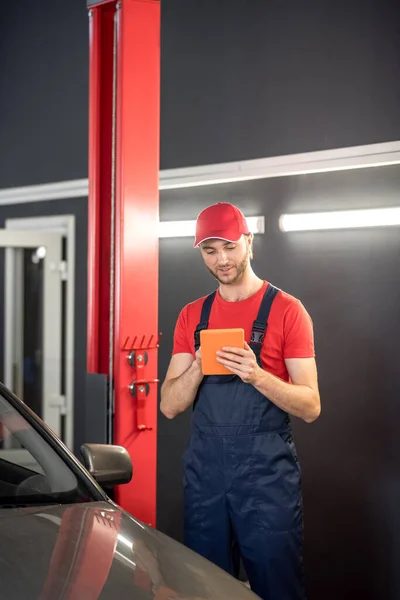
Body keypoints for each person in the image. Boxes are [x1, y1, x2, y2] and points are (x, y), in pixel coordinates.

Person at [160, 202, 321, 600]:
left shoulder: (288, 311)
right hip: (206, 479)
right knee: (204, 587)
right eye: (210, 250)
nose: (222, 259)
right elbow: (169, 405)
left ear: (248, 241)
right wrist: (198, 364)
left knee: (277, 586)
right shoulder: (192, 316)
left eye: (229, 246)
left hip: (265, 480)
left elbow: (311, 405)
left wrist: (256, 374)